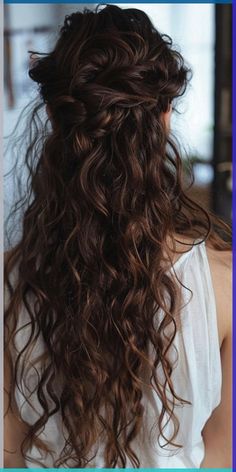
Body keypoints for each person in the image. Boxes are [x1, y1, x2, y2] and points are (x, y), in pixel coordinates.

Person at [4, 4, 232, 468]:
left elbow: (8, 449)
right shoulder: (224, 282)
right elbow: (222, 452)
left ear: (54, 115)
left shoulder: (10, 282)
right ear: (165, 116)